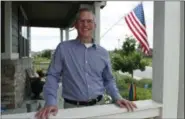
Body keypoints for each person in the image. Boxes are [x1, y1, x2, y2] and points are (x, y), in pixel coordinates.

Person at [35, 8, 137, 119]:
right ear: (76, 24)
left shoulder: (103, 53)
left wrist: (117, 97)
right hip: (72, 109)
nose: (85, 24)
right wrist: (51, 101)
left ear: (94, 25)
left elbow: (108, 80)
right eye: (81, 21)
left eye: (89, 21)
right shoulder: (63, 49)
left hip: (99, 107)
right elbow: (52, 76)